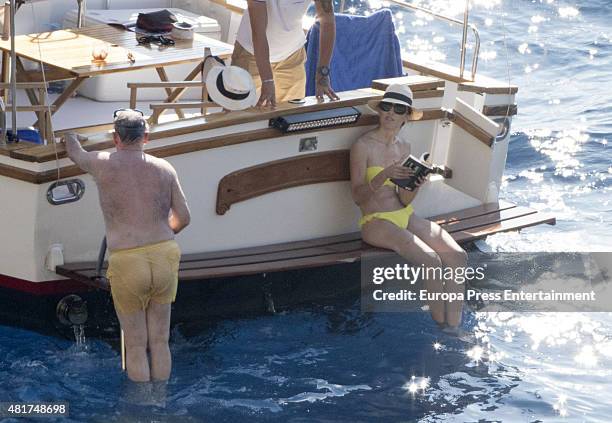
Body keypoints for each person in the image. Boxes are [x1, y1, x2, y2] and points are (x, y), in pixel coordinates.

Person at [64, 109, 191, 382]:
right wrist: (162, 235)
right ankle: (161, 404)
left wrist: (70, 135)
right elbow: (184, 218)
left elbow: (74, 152)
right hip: (163, 254)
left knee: (135, 345)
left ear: (115, 137)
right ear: (145, 137)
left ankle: (142, 407)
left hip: (127, 261)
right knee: (160, 341)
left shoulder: (101, 162)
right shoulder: (165, 168)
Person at [350, 84, 468, 328]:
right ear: (380, 110)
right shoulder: (362, 146)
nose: (390, 113)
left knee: (457, 256)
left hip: (405, 214)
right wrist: (384, 175)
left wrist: (415, 184)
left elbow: (404, 200)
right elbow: (358, 197)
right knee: (432, 261)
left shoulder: (404, 147)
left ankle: (454, 326)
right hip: (376, 221)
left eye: (398, 109)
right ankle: (442, 329)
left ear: (406, 116)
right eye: (386, 106)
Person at [231, 0, 339, 107]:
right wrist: (267, 79)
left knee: (289, 116)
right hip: (251, 53)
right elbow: (258, 32)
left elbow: (327, 21)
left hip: (292, 56)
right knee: (237, 116)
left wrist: (322, 73)